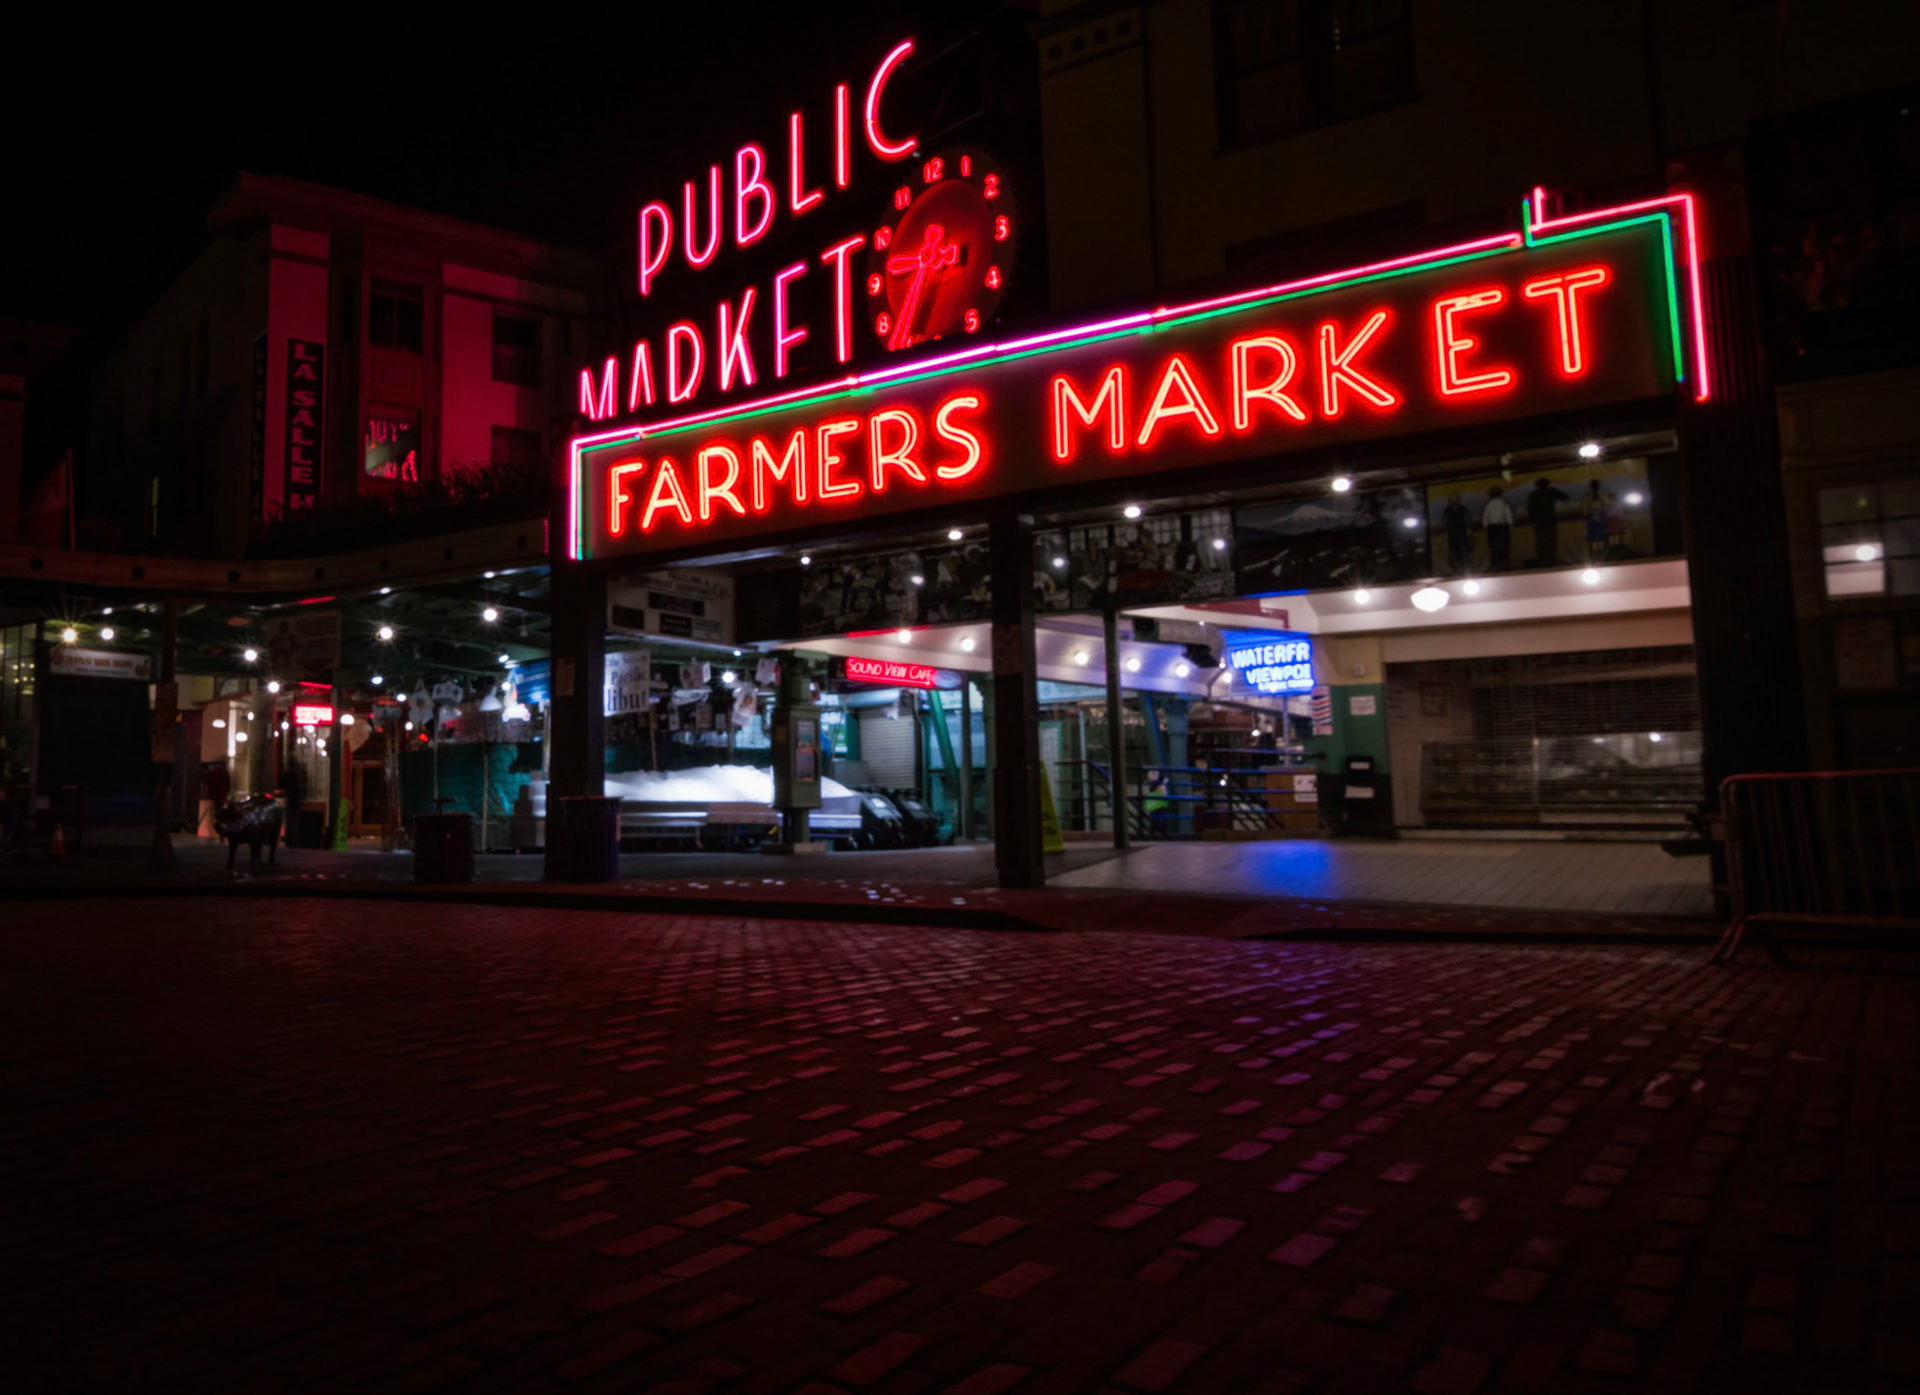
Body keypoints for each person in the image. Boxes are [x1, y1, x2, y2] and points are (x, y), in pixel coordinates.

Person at [1528, 477, 1571, 565]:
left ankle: (1545, 557)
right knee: (1549, 538)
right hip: (1548, 519)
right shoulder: (1550, 492)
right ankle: (1549, 557)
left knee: (1542, 539)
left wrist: (1532, 520)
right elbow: (1565, 497)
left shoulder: (1534, 494)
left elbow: (1530, 509)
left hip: (1541, 520)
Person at [1482, 485, 1514, 569]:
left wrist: (1485, 526)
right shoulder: (1503, 503)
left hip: (1495, 527)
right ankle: (1501, 563)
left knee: (1497, 546)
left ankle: (1499, 564)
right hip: (1500, 527)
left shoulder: (1490, 504)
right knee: (1501, 546)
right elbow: (1508, 515)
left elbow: (1486, 516)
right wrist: (1510, 524)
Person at [1583, 480, 1612, 562]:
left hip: (1600, 518)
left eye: (1596, 485)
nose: (1594, 487)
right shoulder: (1588, 496)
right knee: (1593, 537)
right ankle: (1595, 555)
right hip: (1592, 518)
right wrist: (1586, 514)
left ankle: (1600, 554)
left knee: (1601, 536)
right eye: (1593, 486)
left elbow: (1609, 503)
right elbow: (1585, 507)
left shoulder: (1602, 494)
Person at [1443, 493, 1471, 573]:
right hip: (1451, 533)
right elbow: (1444, 522)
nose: (1453, 501)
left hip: (1462, 533)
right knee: (1453, 551)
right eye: (1452, 499)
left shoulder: (1463, 509)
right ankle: (1454, 568)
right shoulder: (1447, 510)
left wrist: (1468, 530)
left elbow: (1467, 520)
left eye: (1455, 499)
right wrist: (1445, 533)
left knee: (1463, 551)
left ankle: (1464, 568)